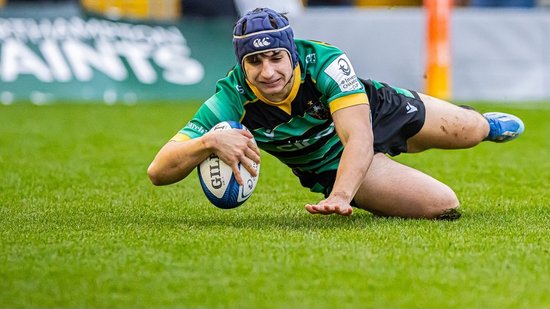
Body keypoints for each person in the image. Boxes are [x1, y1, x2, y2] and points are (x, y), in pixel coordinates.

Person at [147, 7, 524, 220]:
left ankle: (485, 125)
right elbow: (158, 170)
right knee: (443, 206)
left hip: (374, 112)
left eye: (276, 57)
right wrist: (210, 141)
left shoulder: (325, 62)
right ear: (241, 65)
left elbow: (359, 137)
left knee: (468, 129)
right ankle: (392, 167)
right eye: (254, 61)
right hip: (329, 164)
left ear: (291, 54)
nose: (268, 72)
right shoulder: (231, 97)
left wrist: (343, 196)